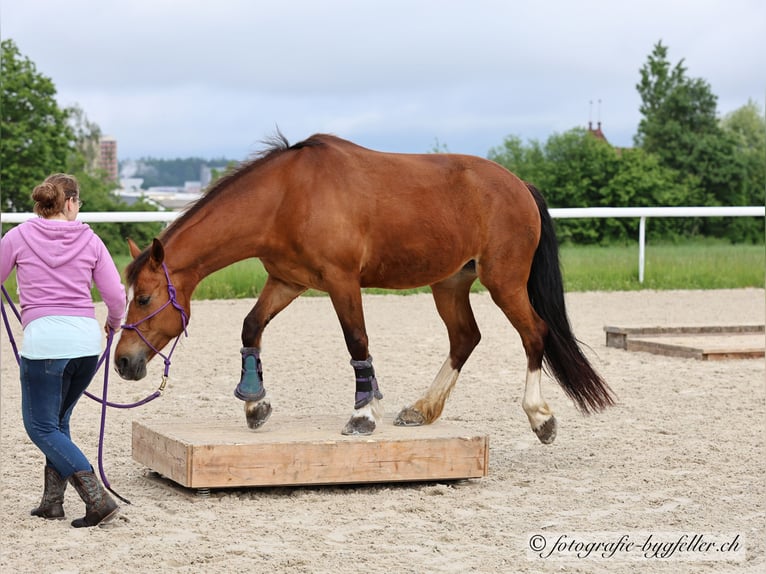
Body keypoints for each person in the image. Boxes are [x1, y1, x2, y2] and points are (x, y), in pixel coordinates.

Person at [0, 173, 126, 528]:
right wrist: (113, 323)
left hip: (45, 344)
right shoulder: (91, 240)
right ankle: (52, 502)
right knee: (58, 421)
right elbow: (116, 296)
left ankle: (96, 497)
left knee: (40, 426)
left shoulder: (17, 236)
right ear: (70, 202)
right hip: (86, 342)